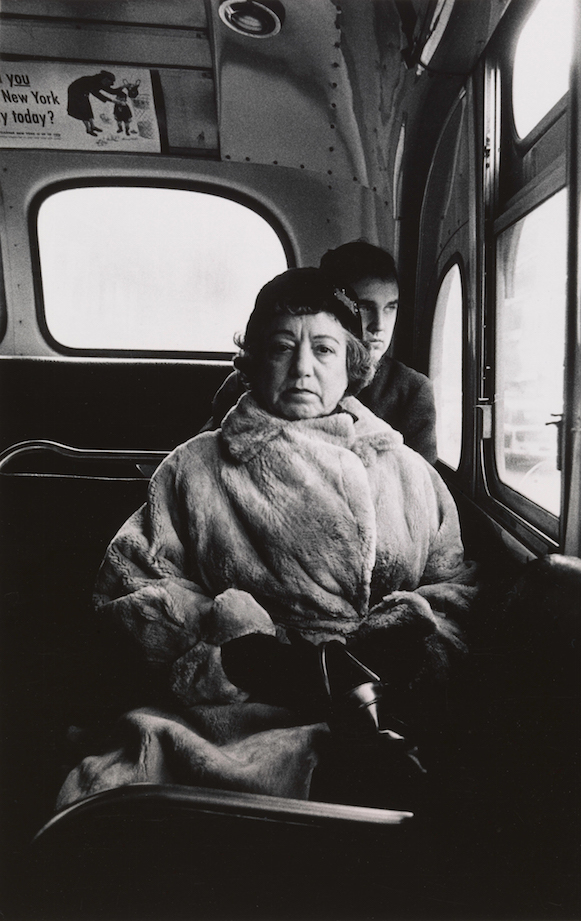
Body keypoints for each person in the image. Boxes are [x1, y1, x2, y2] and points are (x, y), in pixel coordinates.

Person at [57, 268, 475, 810]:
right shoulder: (195, 467)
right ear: (253, 363)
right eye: (282, 348)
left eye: (324, 350)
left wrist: (402, 641)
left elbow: (458, 587)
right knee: (128, 799)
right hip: (232, 711)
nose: (303, 367)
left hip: (381, 701)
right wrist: (244, 657)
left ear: (351, 366)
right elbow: (130, 586)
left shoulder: (406, 470)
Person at [205, 242, 437, 463]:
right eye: (364, 307)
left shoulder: (411, 392)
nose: (379, 325)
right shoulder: (247, 383)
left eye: (390, 308)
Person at [67, 70, 122, 136]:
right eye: (110, 82)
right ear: (105, 79)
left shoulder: (100, 82)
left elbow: (111, 91)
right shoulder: (93, 81)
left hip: (83, 92)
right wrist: (112, 101)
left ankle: (92, 126)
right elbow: (97, 94)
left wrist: (124, 87)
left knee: (88, 108)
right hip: (75, 92)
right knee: (83, 110)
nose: (110, 84)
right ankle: (88, 129)